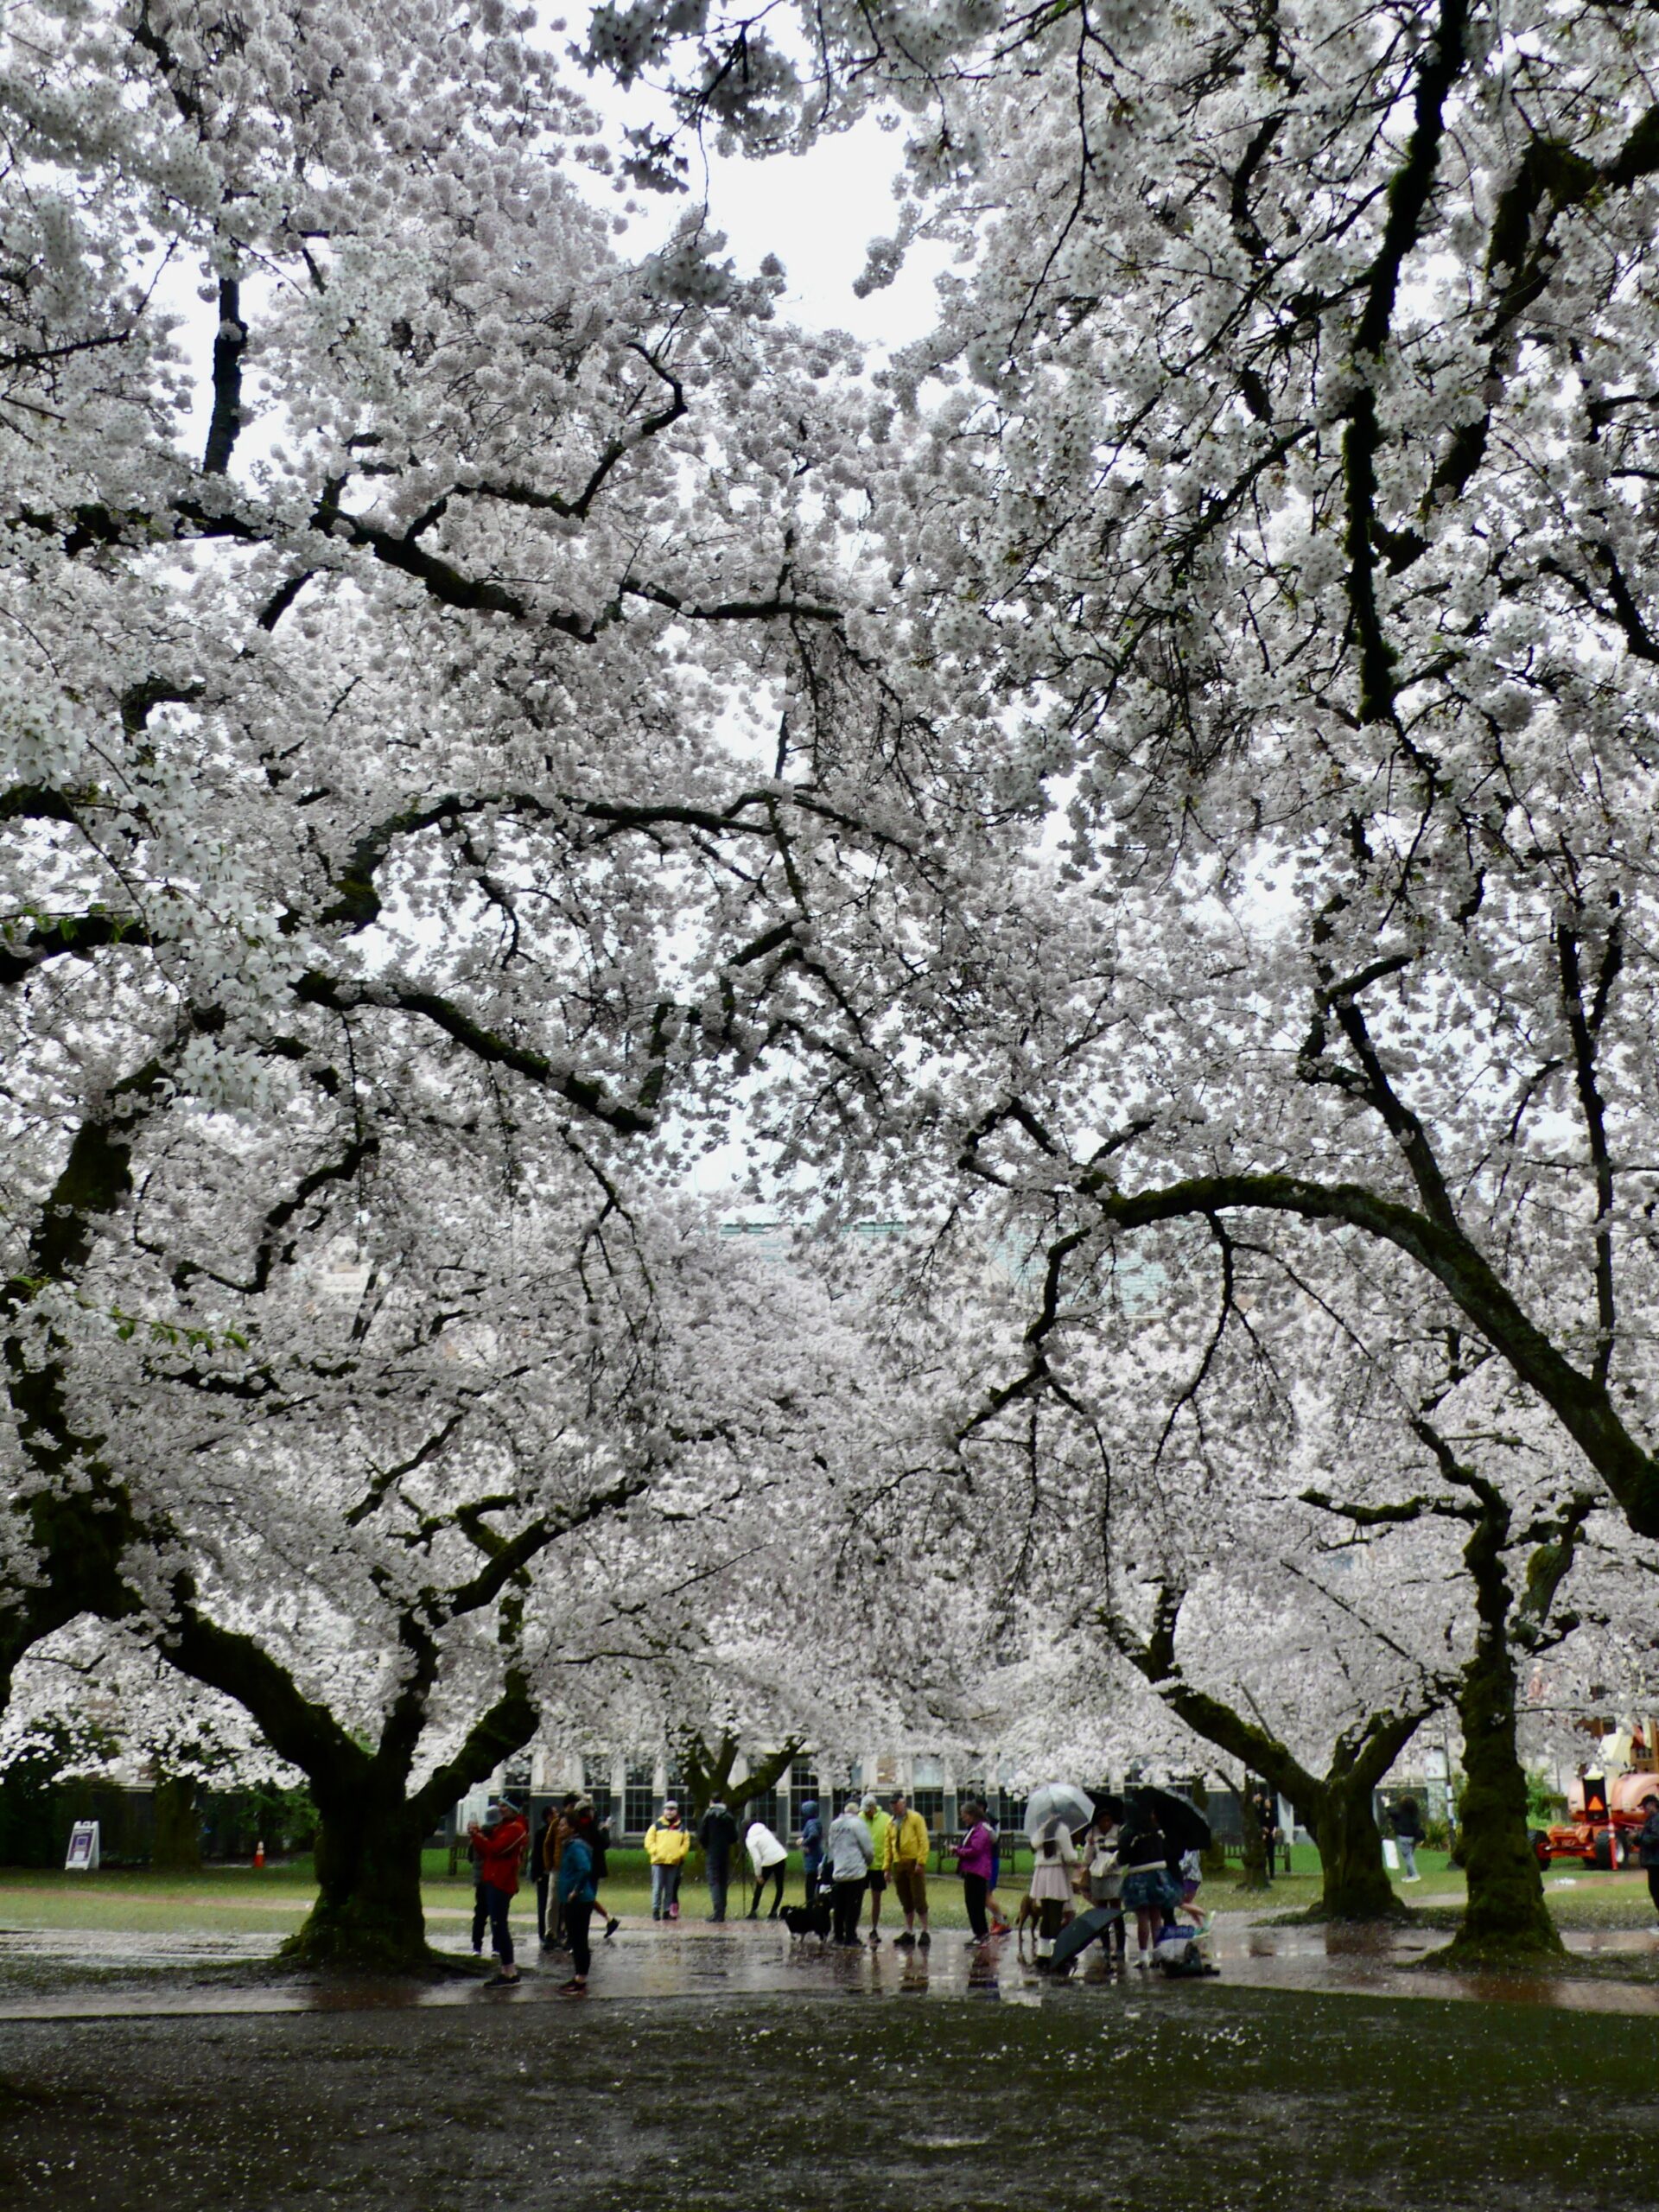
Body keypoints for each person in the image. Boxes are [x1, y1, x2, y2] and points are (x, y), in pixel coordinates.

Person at [468, 1797, 530, 1987]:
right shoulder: (504, 1828)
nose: (501, 1809)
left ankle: (509, 1971)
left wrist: (478, 1835)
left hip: (501, 1881)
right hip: (494, 1878)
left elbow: (495, 1850)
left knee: (500, 1925)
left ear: (513, 1809)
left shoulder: (515, 1830)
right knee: (498, 1925)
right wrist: (476, 1835)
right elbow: (487, 1851)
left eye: (505, 1806)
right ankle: (507, 1969)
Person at [1119, 1808, 1174, 1970]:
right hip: (1158, 1874)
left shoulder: (1130, 1832)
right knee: (1156, 1915)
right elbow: (1168, 1851)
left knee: (1142, 1917)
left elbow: (1124, 1857)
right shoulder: (1157, 1830)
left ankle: (1144, 1956)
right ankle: (1157, 1953)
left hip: (1139, 1875)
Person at [556, 1801, 599, 1993]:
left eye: (563, 1825)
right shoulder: (570, 1845)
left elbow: (585, 1869)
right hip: (573, 1899)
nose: (559, 1828)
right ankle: (578, 1977)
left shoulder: (576, 1847)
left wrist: (575, 1890)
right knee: (576, 1939)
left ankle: (581, 1979)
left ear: (572, 1828)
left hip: (579, 1901)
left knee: (579, 1940)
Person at [1029, 1813, 1079, 1964]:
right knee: (1056, 1915)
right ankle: (1058, 1952)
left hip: (1041, 1873)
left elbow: (1033, 1844)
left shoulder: (1040, 1830)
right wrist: (1077, 1857)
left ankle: (1043, 1953)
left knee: (1046, 1915)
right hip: (1055, 1872)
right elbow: (1070, 1856)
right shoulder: (1062, 1829)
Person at [827, 1796, 874, 1945]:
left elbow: (831, 1846)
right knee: (853, 1906)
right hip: (855, 1871)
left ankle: (838, 1935)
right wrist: (868, 1862)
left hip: (839, 1870)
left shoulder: (834, 1825)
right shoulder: (858, 1824)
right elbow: (867, 1849)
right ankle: (851, 1936)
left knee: (839, 1905)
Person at [950, 1796, 997, 1942]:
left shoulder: (981, 1829)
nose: (963, 1819)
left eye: (965, 1816)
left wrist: (957, 1850)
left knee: (975, 1904)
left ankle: (982, 1934)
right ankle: (979, 1933)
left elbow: (975, 1850)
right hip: (973, 1871)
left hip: (977, 1871)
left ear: (972, 1814)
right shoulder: (976, 1828)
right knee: (972, 1904)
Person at [888, 1791, 931, 1949]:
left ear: (904, 1803)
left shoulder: (915, 1818)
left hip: (913, 1861)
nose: (894, 1807)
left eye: (897, 1804)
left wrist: (921, 1861)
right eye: (892, 1805)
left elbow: (923, 1840)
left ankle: (925, 1930)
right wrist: (887, 1867)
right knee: (905, 1898)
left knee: (918, 1896)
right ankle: (909, 1930)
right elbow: (888, 1846)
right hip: (899, 1862)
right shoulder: (891, 1822)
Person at [645, 1800, 690, 1921]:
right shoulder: (656, 1826)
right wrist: (655, 1851)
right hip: (658, 1861)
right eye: (667, 1809)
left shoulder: (681, 1828)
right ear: (664, 1811)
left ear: (676, 1811)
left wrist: (679, 1855)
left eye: (672, 1809)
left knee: (670, 1888)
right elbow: (649, 1841)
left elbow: (686, 1844)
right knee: (657, 1887)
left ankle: (666, 1910)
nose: (670, 1812)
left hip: (673, 1861)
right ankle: (655, 1909)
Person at [699, 1796, 741, 1922]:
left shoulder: (708, 1815)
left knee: (714, 1881)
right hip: (725, 1852)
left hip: (712, 1852)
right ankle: (722, 1911)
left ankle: (718, 1912)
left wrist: (707, 1846)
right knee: (723, 1881)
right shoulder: (728, 1816)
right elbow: (734, 1836)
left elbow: (702, 1835)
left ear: (711, 1801)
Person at [861, 1792, 893, 1945]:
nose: (866, 1812)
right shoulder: (859, 1818)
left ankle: (874, 1928)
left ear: (874, 1808)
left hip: (879, 1865)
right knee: (856, 1898)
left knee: (876, 1898)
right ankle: (852, 1928)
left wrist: (888, 1866)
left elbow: (890, 1842)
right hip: (861, 1866)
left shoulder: (886, 1819)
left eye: (868, 1809)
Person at [745, 1815, 789, 1918]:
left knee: (759, 1887)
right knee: (779, 1886)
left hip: (768, 1861)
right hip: (781, 1856)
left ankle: (753, 1911)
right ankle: (773, 1911)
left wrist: (758, 1874)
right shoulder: (764, 1830)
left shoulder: (750, 1840)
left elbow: (757, 1859)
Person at [534, 1803, 559, 1948]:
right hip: (544, 1874)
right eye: (555, 1814)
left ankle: (553, 1932)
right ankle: (543, 1932)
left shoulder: (557, 1831)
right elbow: (537, 1854)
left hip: (554, 1872)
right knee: (543, 1904)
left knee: (553, 1904)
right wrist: (537, 1874)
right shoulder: (542, 1833)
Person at [1390, 1796, 1425, 1883]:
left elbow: (1391, 1813)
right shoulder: (1414, 1814)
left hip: (1403, 1837)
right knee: (1410, 1855)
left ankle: (1414, 1875)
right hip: (1412, 1838)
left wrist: (1387, 1804)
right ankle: (1410, 1874)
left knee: (1408, 1857)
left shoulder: (1401, 1814)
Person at [1637, 1792, 1659, 1920]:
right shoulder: (1651, 1820)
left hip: (1656, 1862)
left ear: (1652, 1805)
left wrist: (1639, 1837)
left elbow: (1656, 1838)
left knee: (1656, 1891)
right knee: (1654, 1890)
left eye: (1645, 1807)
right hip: (1653, 1862)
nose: (1644, 1810)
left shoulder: (1656, 1819)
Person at [798, 1799, 825, 1897]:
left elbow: (814, 1834)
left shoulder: (810, 1823)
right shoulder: (817, 1821)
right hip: (818, 1854)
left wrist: (803, 1843)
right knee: (818, 1881)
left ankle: (810, 1905)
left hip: (811, 1856)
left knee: (810, 1883)